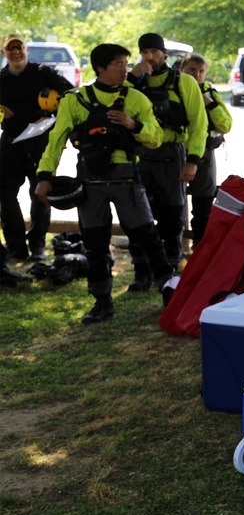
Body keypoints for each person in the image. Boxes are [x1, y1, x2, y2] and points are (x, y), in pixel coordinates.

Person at [34, 43, 176, 322]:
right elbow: (56, 140)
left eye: (126, 63)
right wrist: (44, 177)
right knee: (95, 244)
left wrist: (133, 126)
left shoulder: (136, 100)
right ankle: (102, 302)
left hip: (127, 181)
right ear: (100, 68)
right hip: (90, 183)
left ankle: (169, 293)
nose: (126, 69)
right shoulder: (75, 101)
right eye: (119, 64)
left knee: (150, 240)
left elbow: (156, 138)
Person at [125, 33, 208, 289]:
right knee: (138, 216)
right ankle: (142, 271)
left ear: (164, 54)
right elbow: (118, 106)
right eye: (144, 52)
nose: (149, 57)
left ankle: (170, 271)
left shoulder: (183, 82)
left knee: (172, 216)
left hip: (172, 154)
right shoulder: (133, 81)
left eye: (154, 51)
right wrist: (131, 78)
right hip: (140, 154)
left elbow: (199, 123)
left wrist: (193, 160)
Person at [0, 33, 74, 261]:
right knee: (5, 192)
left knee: (41, 192)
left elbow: (71, 94)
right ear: (4, 53)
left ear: (26, 50)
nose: (15, 52)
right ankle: (16, 247)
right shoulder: (1, 78)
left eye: (19, 47)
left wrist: (50, 114)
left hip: (40, 140)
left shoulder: (43, 72)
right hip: (11, 139)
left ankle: (38, 246)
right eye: (10, 48)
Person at [180, 53, 232, 248]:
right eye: (192, 70)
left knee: (203, 205)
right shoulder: (176, 89)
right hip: (179, 154)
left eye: (201, 71)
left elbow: (225, 125)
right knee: (175, 205)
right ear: (183, 69)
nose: (197, 75)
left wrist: (209, 103)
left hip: (205, 155)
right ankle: (178, 247)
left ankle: (200, 247)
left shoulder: (209, 92)